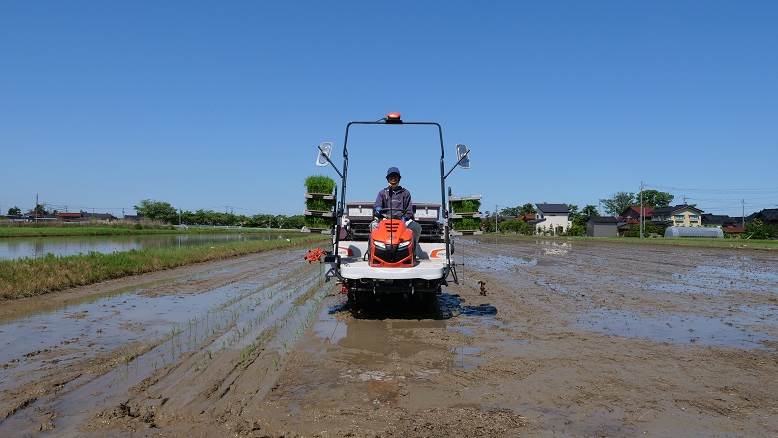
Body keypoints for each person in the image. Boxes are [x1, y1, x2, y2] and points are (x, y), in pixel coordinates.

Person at [372, 166, 422, 253]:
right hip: (385, 220)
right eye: (391, 177)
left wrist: (404, 218)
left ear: (399, 178)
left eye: (395, 176)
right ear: (388, 179)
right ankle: (373, 251)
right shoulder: (382, 193)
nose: (393, 178)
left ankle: (413, 250)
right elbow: (377, 206)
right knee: (373, 226)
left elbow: (409, 210)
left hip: (402, 221)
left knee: (416, 227)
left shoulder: (405, 193)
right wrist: (377, 209)